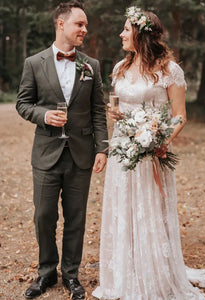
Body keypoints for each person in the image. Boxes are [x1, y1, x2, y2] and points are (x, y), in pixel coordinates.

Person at [92, 6, 205, 300]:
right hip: (121, 150)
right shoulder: (119, 68)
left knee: (149, 208)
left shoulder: (170, 70)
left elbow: (180, 116)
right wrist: (115, 114)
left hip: (152, 152)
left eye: (126, 29)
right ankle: (124, 271)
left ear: (141, 34)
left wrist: (160, 139)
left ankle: (152, 271)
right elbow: (118, 107)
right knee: (123, 207)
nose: (121, 34)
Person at [16, 1, 108, 299]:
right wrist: (43, 115)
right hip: (45, 154)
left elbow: (98, 111)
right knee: (44, 215)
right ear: (61, 24)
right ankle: (46, 273)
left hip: (81, 153)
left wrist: (102, 147)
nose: (84, 29)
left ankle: (71, 275)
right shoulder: (34, 63)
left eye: (85, 25)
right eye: (79, 24)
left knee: (76, 217)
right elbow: (23, 104)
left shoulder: (91, 66)